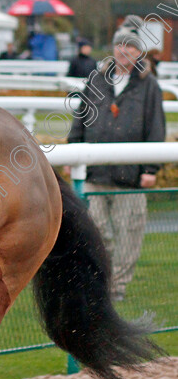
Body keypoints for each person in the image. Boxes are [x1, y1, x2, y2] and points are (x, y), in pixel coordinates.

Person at [67, 15, 166, 301]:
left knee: (128, 236)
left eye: (130, 46)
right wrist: (74, 151)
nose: (124, 50)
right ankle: (102, 280)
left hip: (130, 177)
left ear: (139, 52)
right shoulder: (96, 80)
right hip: (95, 175)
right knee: (97, 234)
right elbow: (80, 120)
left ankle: (118, 287)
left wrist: (150, 168)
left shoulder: (149, 87)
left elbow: (155, 127)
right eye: (119, 45)